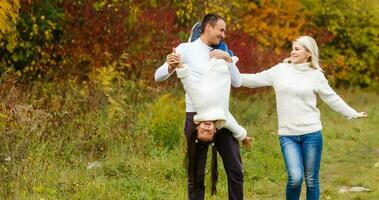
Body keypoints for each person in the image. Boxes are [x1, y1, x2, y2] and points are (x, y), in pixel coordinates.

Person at [238, 35, 368, 200]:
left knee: (311, 180)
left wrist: (352, 113)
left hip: (312, 133)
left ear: (309, 53)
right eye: (292, 48)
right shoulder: (280, 70)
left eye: (297, 49)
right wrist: (229, 71)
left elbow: (332, 98)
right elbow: (253, 79)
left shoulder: (316, 75)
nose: (292, 52)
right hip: (288, 135)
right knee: (295, 178)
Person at [155, 13, 248, 200]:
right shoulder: (186, 49)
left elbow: (237, 81)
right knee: (196, 175)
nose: (223, 35)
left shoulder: (223, 51)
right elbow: (158, 76)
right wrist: (171, 66)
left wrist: (227, 58)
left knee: (235, 170)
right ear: (208, 27)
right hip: (195, 116)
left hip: (221, 117)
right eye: (221, 30)